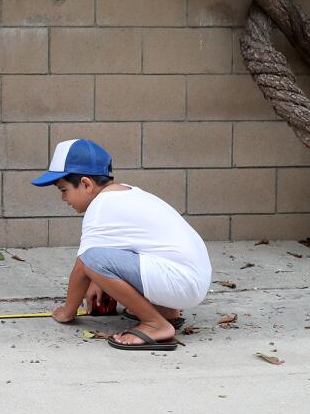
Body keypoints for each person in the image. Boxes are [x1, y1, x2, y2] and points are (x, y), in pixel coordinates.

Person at [33, 138, 211, 351]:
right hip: (190, 280)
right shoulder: (127, 193)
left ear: (86, 184)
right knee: (96, 260)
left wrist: (67, 312)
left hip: (180, 282)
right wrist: (99, 281)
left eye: (64, 190)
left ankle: (155, 324)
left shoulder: (99, 208)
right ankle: (166, 312)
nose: (63, 198)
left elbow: (83, 265)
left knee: (91, 259)